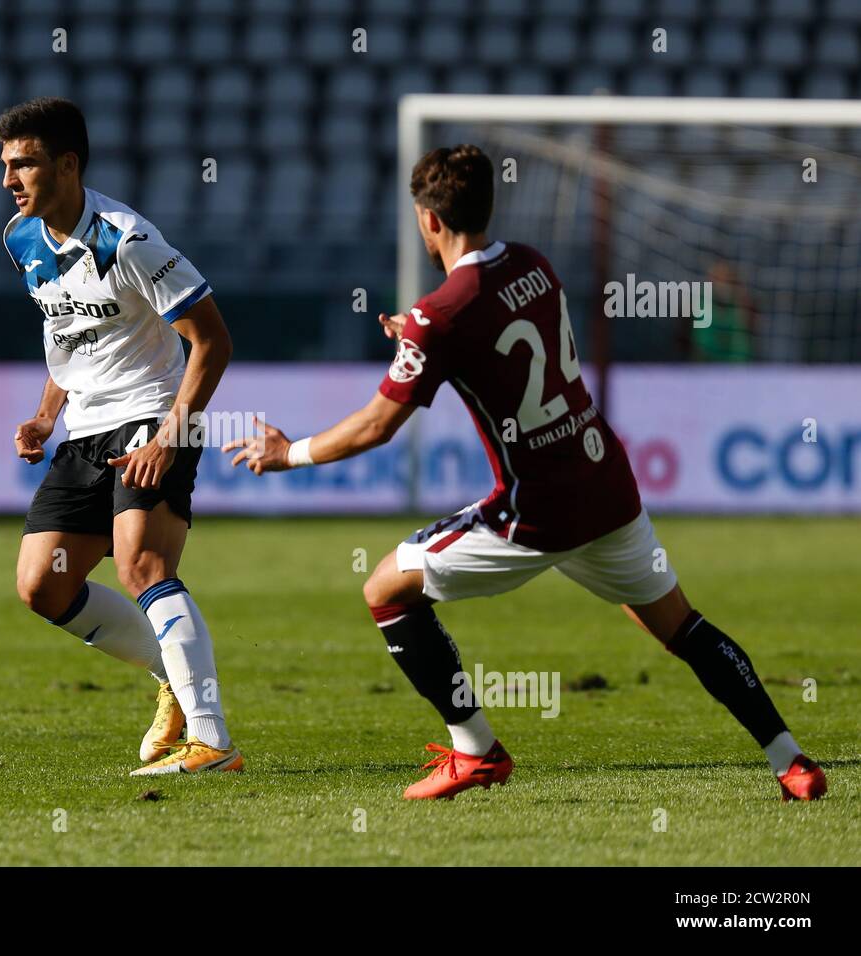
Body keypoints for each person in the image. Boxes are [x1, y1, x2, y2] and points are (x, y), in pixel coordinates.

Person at [222, 144, 824, 801]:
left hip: (536, 511)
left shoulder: (439, 317)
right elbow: (494, 336)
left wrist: (290, 454)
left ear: (428, 221)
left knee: (386, 591)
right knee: (681, 625)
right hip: (607, 484)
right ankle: (791, 760)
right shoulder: (532, 265)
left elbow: (376, 425)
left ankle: (475, 750)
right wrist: (421, 340)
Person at [0, 98, 242, 776]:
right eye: (7, 166)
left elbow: (213, 340)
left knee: (143, 567)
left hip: (152, 415)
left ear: (68, 165)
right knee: (41, 587)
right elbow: (66, 334)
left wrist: (172, 433)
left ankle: (213, 741)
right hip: (84, 428)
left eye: (25, 164)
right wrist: (47, 414)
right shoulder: (20, 239)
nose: (10, 180)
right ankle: (173, 678)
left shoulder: (126, 240)